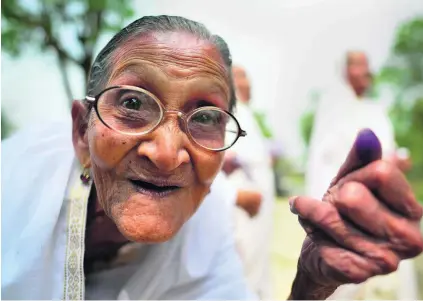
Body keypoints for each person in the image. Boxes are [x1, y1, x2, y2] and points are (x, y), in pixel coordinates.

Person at [2, 16, 422, 300]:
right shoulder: (14, 187)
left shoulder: (208, 220)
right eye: (132, 103)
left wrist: (308, 285)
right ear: (81, 131)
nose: (166, 155)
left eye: (204, 117)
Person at [306, 51, 414, 299]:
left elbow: (387, 149)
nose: (365, 71)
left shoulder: (375, 110)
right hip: (351, 208)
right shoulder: (334, 110)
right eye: (357, 65)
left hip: (385, 206)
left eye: (367, 64)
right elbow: (331, 159)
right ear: (344, 71)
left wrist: (396, 159)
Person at [221, 65, 275, 298]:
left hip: (259, 210)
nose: (247, 83)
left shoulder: (247, 114)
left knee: (257, 267)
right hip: (240, 208)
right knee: (241, 265)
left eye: (247, 77)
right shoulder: (226, 114)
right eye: (241, 77)